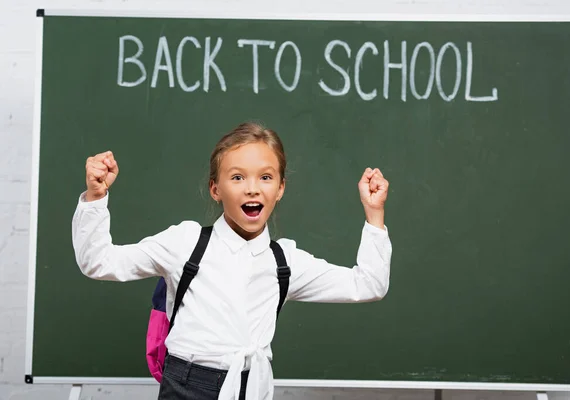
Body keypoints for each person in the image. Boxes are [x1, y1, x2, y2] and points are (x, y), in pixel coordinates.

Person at [72, 121, 392, 400]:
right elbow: (98, 262)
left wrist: (374, 213)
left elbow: (368, 284)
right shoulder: (185, 243)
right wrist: (96, 198)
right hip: (187, 386)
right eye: (237, 178)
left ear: (280, 188)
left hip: (249, 385)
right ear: (215, 188)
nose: (252, 189)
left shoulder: (285, 262)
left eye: (265, 178)